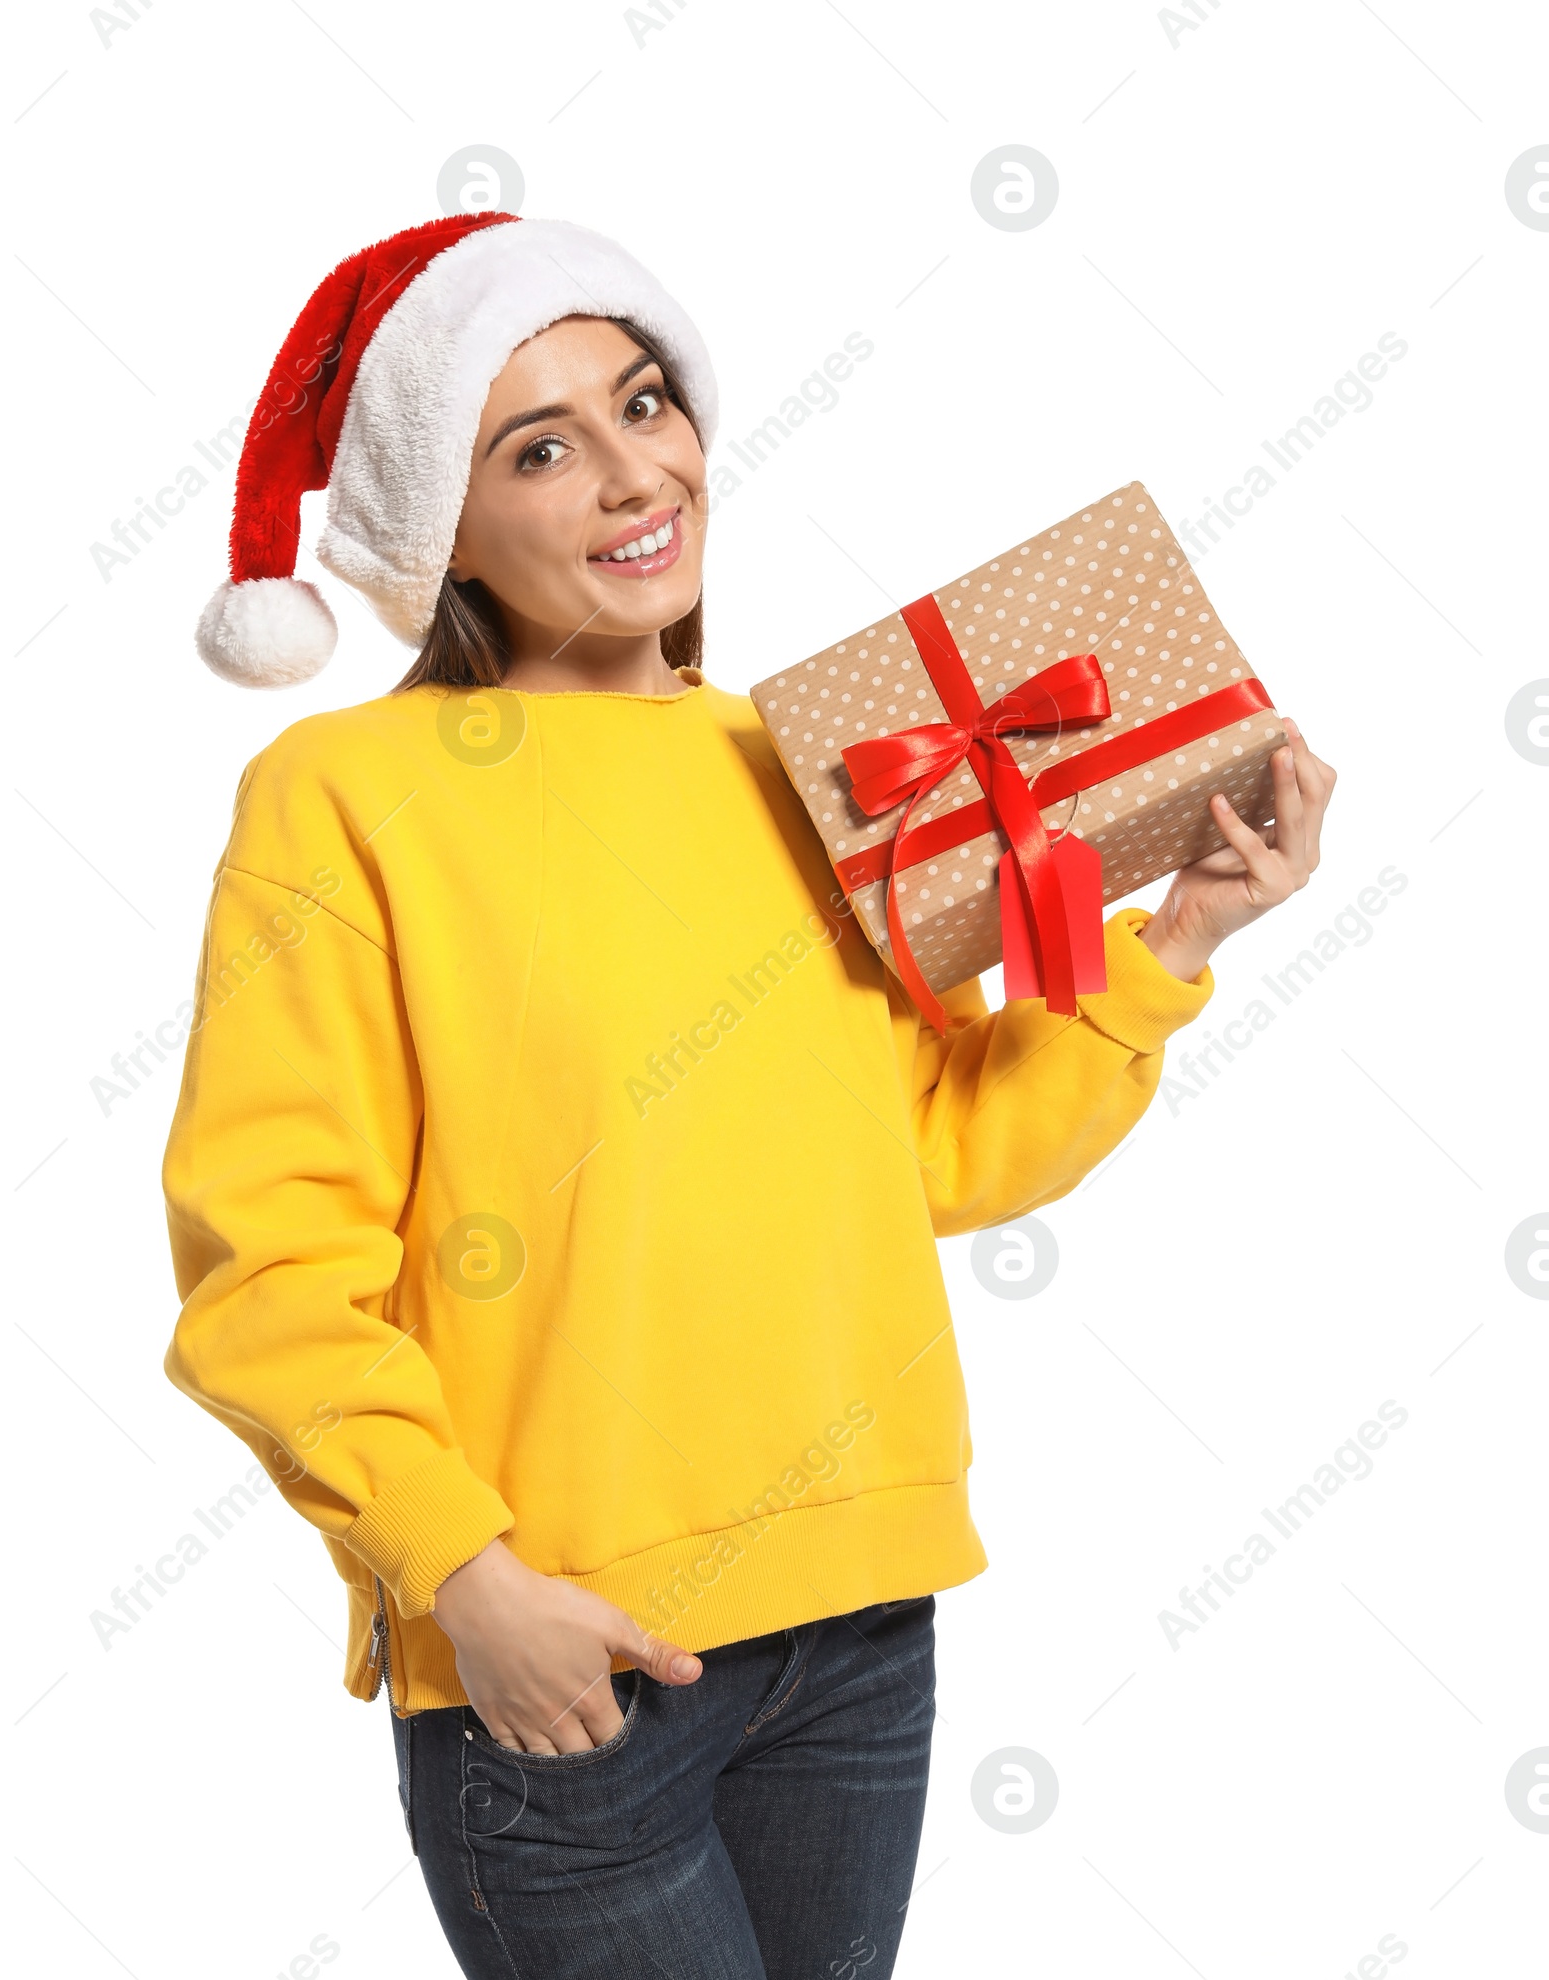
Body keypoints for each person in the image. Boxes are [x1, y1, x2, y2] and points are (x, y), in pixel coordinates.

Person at [162, 212, 1334, 1980]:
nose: (638, 474)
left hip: (863, 1621)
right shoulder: (341, 793)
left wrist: (1175, 936)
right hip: (570, 1658)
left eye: (647, 403)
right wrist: (467, 1583)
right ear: (441, 531)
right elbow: (266, 1276)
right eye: (539, 446)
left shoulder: (800, 760)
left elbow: (933, 1147)